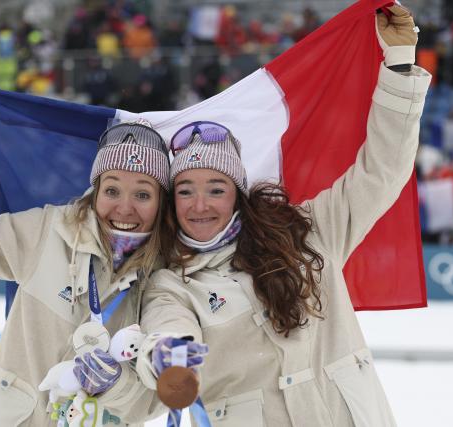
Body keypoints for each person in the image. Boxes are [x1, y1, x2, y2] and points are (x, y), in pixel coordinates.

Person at [131, 4, 431, 426]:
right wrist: (166, 355)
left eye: (216, 189)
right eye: (186, 190)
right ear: (171, 200)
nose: (200, 204)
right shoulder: (172, 285)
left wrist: (398, 67)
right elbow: (167, 328)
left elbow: (382, 168)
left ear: (237, 194)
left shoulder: (306, 232)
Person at [0, 88, 173, 425]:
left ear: (161, 202)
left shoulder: (166, 279)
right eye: (112, 190)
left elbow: (159, 397)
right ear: (96, 190)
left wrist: (118, 386)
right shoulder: (49, 232)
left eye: (143, 194)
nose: (124, 207)